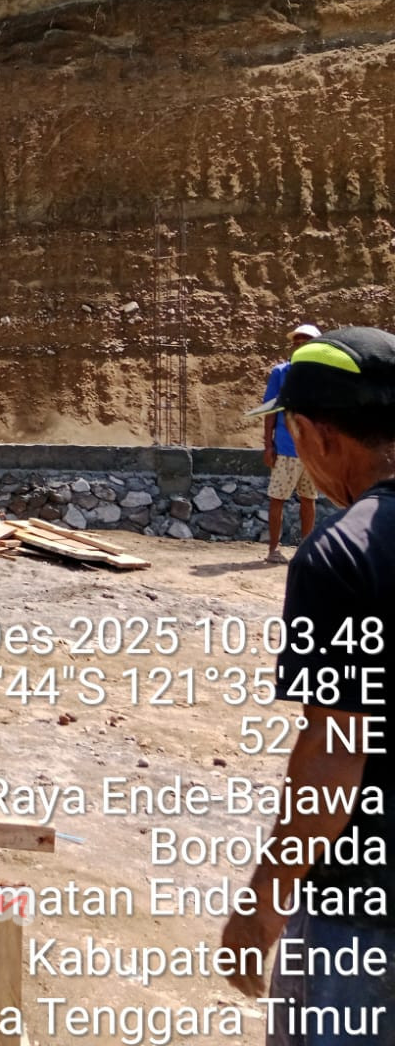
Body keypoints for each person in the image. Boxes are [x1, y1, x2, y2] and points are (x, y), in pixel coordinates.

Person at [222, 326, 395, 1042]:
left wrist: (263, 904)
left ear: (319, 435)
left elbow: (335, 755)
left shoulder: (340, 556)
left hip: (364, 914)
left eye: (290, 428)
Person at [261, 323, 323, 564]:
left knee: (309, 499)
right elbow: (269, 411)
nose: (299, 346)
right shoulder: (281, 372)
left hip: (312, 452)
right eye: (296, 343)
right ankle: (273, 550)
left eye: (304, 342)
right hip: (286, 449)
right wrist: (269, 444)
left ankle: (305, 550)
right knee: (278, 498)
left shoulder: (323, 377)